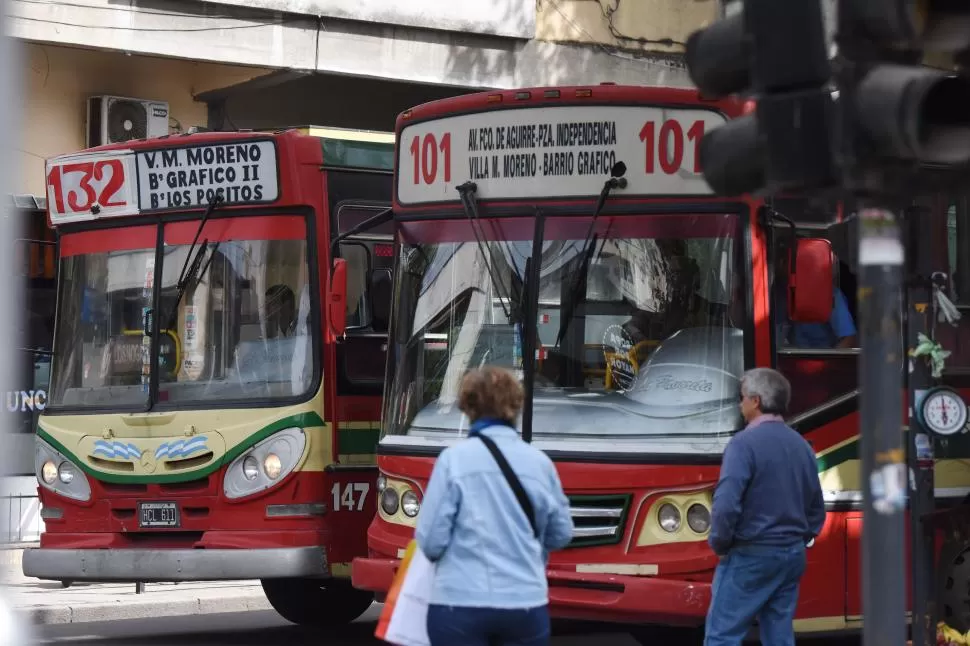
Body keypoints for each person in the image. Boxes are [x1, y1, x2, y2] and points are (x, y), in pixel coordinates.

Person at [415, 366, 574, 646]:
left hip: (459, 603)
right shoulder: (540, 463)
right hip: (525, 603)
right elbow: (561, 534)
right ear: (516, 405)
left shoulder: (452, 461)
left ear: (468, 406)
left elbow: (430, 542)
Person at [705, 367, 825, 646]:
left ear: (756, 401)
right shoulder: (801, 445)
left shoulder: (742, 444)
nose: (740, 404)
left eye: (742, 398)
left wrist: (720, 543)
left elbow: (726, 504)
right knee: (779, 635)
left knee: (722, 635)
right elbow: (816, 507)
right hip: (792, 555)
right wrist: (800, 537)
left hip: (750, 554)